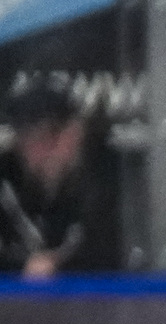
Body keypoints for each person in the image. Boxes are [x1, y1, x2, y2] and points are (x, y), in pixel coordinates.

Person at [3, 83, 121, 279]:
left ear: (75, 132)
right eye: (26, 140)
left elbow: (111, 255)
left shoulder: (111, 180)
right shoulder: (9, 179)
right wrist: (22, 267)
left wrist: (56, 266)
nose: (37, 151)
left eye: (47, 136)